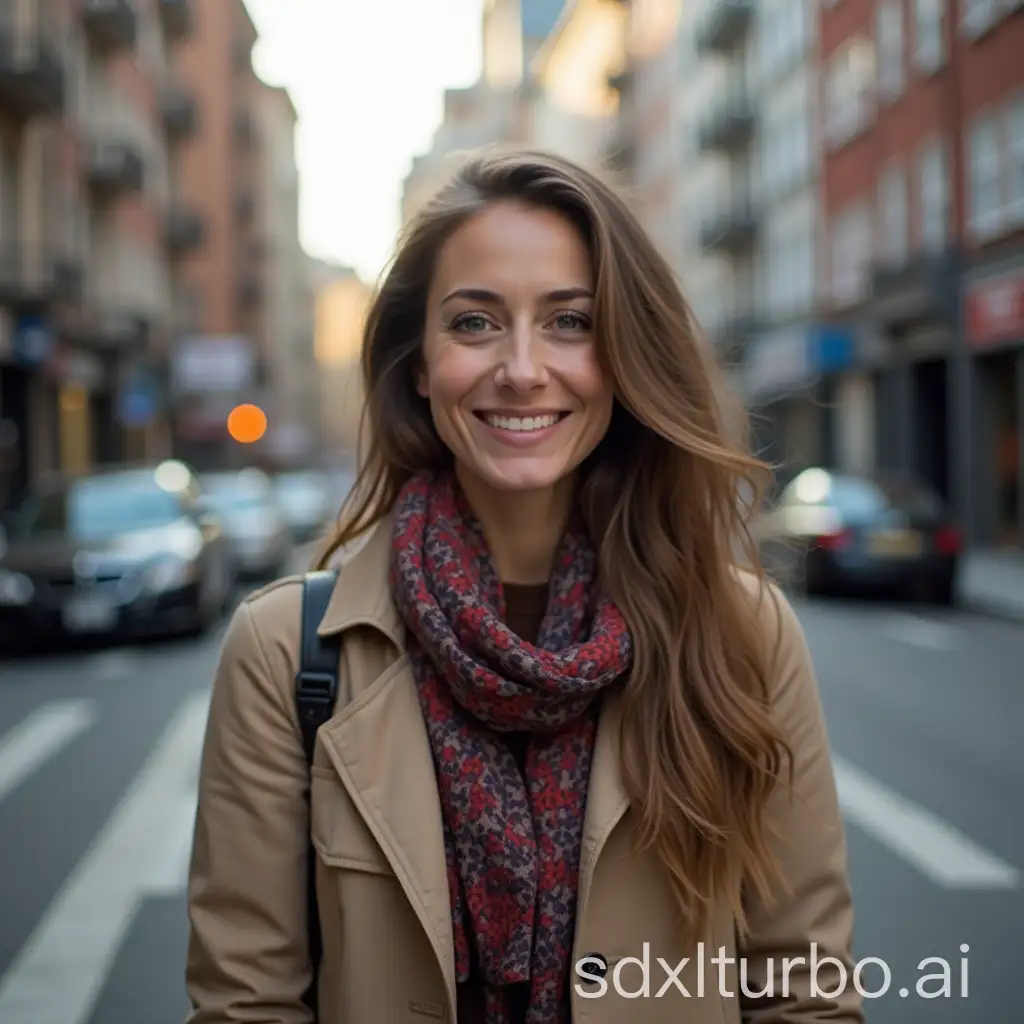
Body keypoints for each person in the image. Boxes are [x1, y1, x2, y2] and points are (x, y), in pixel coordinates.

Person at [184, 148, 863, 1024]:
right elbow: (246, 1007)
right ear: (419, 365)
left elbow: (805, 993)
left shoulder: (741, 629)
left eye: (570, 322)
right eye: (473, 323)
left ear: (622, 358)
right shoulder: (287, 653)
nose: (522, 367)